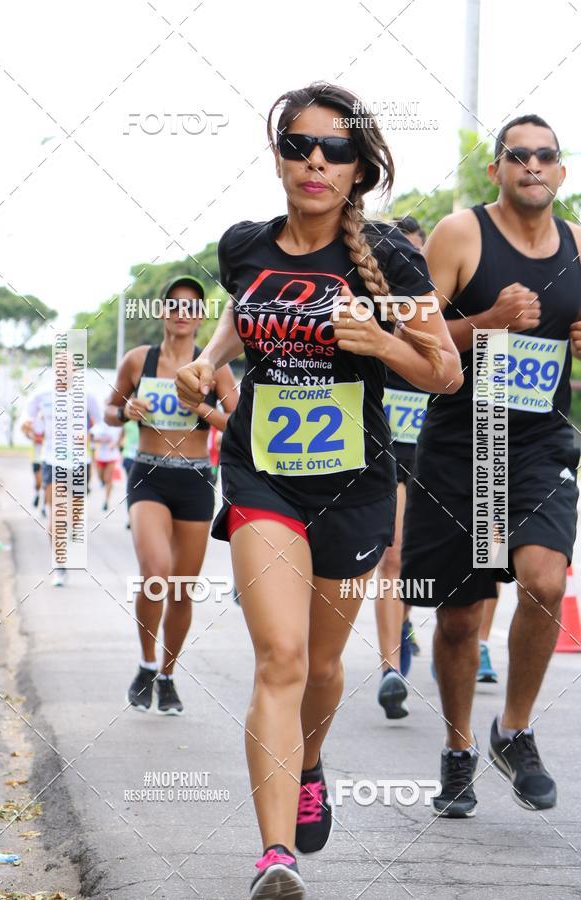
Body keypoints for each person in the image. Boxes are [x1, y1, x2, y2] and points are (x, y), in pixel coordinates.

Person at [175, 83, 462, 899]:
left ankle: (308, 762)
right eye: (300, 145)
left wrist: (381, 341)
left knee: (327, 667)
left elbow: (445, 372)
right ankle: (275, 857)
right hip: (262, 473)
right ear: (278, 157)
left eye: (335, 150)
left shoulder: (392, 261)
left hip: (356, 486)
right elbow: (243, 311)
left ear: (359, 167)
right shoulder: (244, 244)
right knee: (282, 656)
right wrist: (212, 361)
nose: (315, 161)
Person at [401, 114, 581, 817]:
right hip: (464, 444)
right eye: (518, 155)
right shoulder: (460, 236)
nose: (533, 165)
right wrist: (486, 323)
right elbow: (412, 346)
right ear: (497, 170)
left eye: (546, 155)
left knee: (544, 578)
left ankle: (515, 729)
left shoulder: (577, 247)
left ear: (561, 172)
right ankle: (457, 745)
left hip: (539, 443)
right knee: (459, 620)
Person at [104, 275, 237, 716]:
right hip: (149, 473)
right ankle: (145, 663)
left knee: (181, 589)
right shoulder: (139, 360)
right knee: (156, 572)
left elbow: (237, 423)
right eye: (175, 305)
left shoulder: (212, 367)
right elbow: (108, 411)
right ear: (163, 312)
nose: (183, 313)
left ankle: (167, 675)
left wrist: (200, 408)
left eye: (192, 307)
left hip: (197, 478)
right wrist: (126, 410)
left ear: (201, 318)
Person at [375, 215, 430, 719]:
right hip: (383, 458)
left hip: (431, 457)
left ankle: (403, 622)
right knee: (390, 560)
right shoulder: (370, 319)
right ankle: (392, 669)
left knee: (413, 565)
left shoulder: (442, 324)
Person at [24, 371, 102, 587]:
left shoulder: (87, 396)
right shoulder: (42, 395)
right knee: (57, 517)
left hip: (79, 463)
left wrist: (91, 435)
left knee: (74, 518)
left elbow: (102, 423)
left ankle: (66, 536)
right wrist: (27, 427)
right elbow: (27, 420)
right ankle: (59, 566)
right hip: (52, 461)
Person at [90, 420, 122, 510]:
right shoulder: (100, 423)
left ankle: (106, 501)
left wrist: (114, 444)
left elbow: (120, 437)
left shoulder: (117, 425)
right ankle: (104, 483)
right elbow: (91, 435)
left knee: (108, 479)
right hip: (100, 456)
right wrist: (98, 439)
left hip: (112, 455)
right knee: (101, 478)